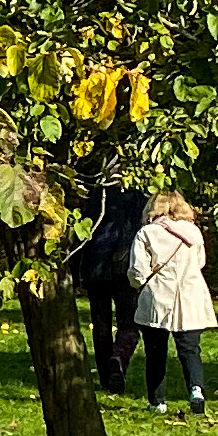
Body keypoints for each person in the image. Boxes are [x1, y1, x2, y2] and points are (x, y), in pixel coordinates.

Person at [127, 190, 216, 413]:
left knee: (155, 351)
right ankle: (196, 390)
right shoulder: (194, 233)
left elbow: (137, 270)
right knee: (190, 349)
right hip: (190, 295)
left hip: (158, 296)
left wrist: (139, 285)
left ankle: (157, 402)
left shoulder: (147, 233)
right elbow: (200, 262)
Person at [70, 161, 147, 393]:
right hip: (124, 265)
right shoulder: (138, 198)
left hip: (96, 266)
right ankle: (120, 358)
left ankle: (106, 374)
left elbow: (81, 234)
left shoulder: (96, 198)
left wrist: (75, 273)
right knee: (130, 322)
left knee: (101, 322)